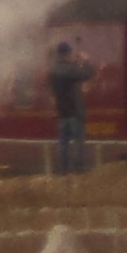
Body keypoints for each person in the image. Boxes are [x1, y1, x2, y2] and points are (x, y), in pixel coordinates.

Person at [47, 42, 96, 175]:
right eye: (70, 53)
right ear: (67, 54)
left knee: (63, 143)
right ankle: (78, 167)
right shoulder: (69, 69)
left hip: (62, 112)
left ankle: (64, 168)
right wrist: (86, 61)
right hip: (74, 112)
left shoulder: (54, 69)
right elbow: (88, 74)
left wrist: (74, 63)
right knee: (78, 141)